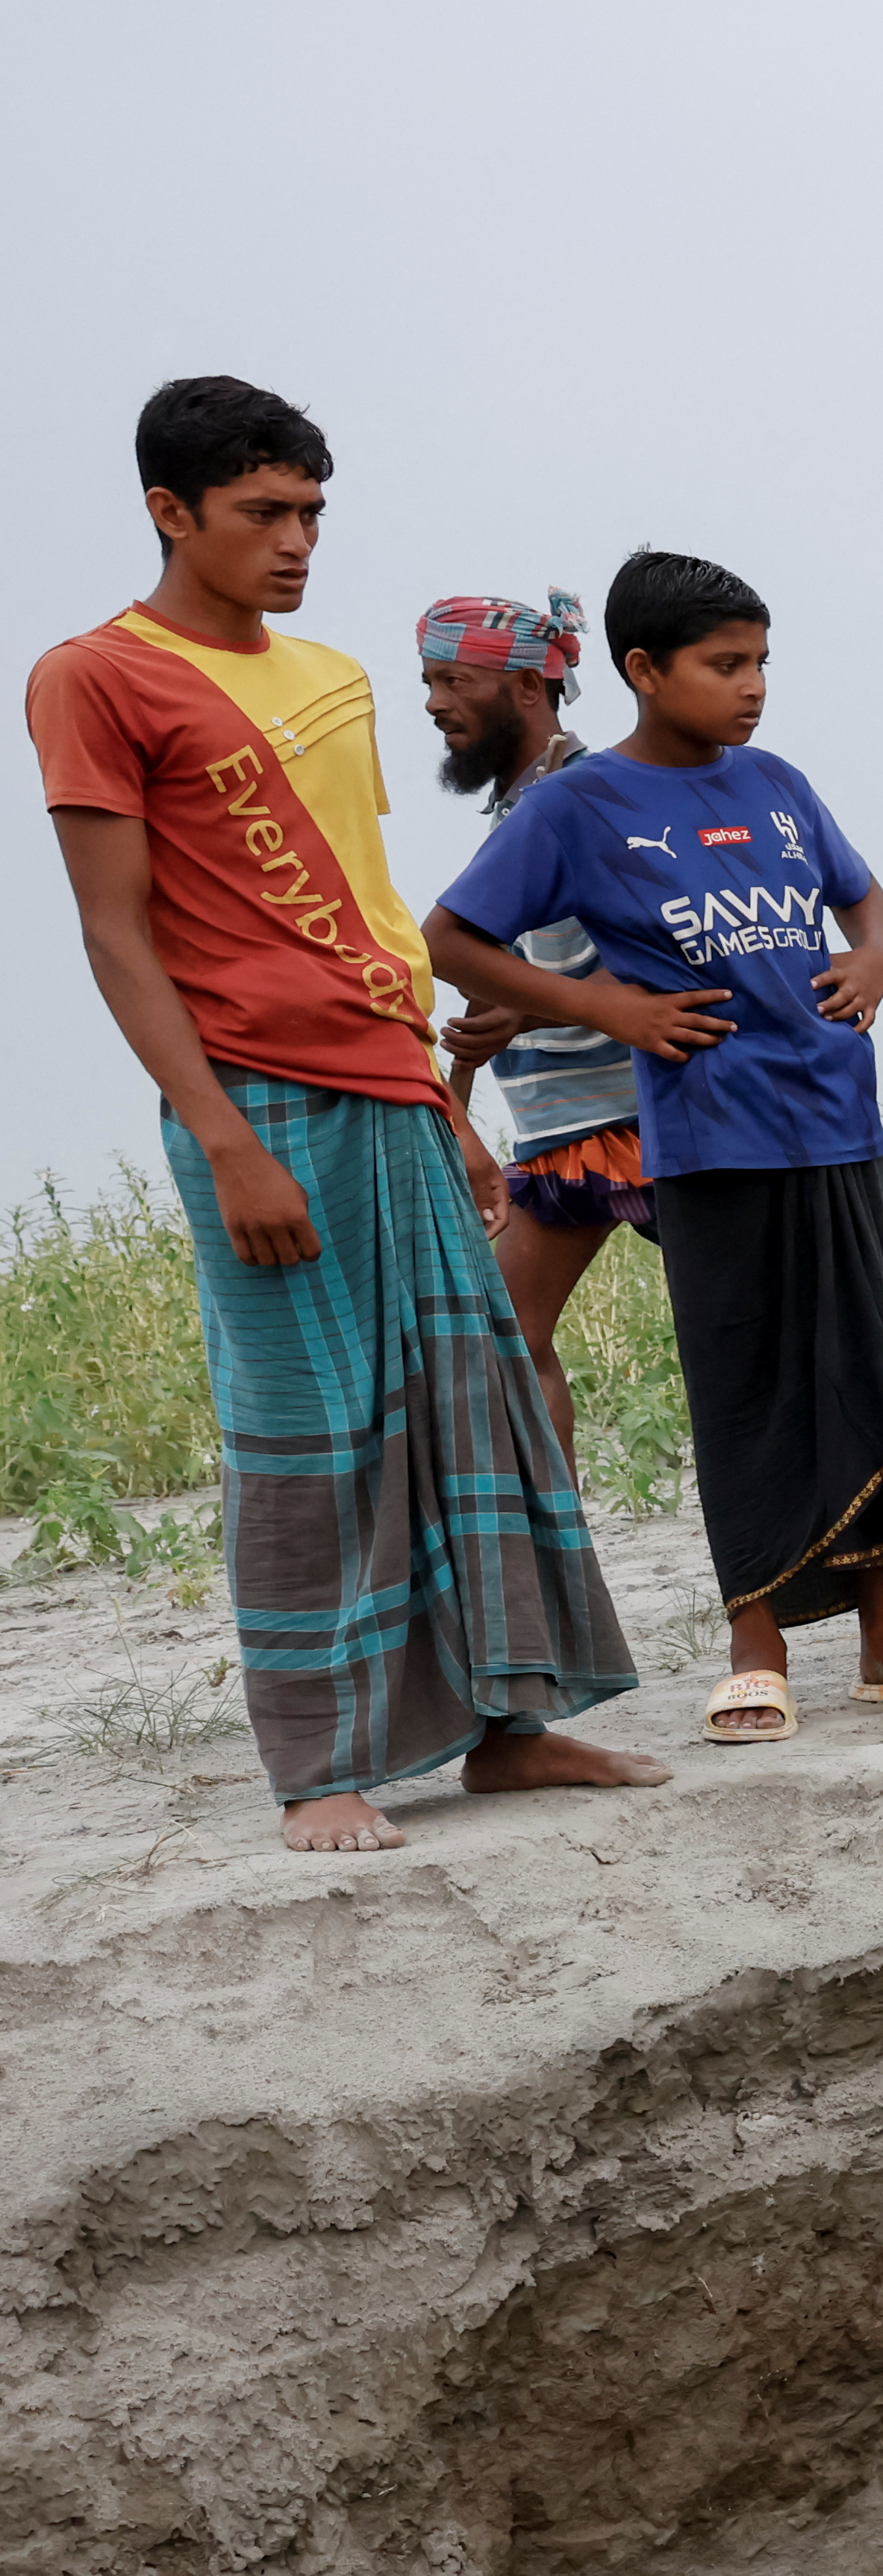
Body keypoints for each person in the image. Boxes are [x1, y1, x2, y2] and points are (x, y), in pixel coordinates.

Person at [31, 375, 655, 1856]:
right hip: (255, 1097)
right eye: (263, 512)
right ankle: (319, 1766)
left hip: (388, 1091)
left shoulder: (332, 679)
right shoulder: (96, 678)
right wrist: (222, 1135)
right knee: (306, 1431)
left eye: (311, 510)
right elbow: (118, 935)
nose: (298, 539)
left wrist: (442, 1097)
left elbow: (368, 906)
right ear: (170, 513)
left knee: (474, 1404)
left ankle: (510, 1728)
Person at [426, 551, 883, 1745]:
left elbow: (863, 896)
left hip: (837, 1123)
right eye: (723, 664)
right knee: (745, 1392)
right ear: (644, 670)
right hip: (706, 1140)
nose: (750, 688)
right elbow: (451, 939)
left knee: (869, 1378)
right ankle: (757, 1644)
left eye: (760, 663)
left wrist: (875, 957)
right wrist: (609, 1012)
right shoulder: (576, 808)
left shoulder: (780, 781)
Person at [410, 586, 646, 1455]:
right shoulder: (528, 804)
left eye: (452, 680)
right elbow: (490, 977)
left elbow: (649, 943)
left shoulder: (585, 795)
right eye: (428, 682)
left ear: (524, 688)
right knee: (506, 1333)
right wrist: (457, 1107)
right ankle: (557, 1562)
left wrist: (516, 1007)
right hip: (567, 1130)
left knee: (505, 1334)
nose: (434, 703)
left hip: (636, 1120)